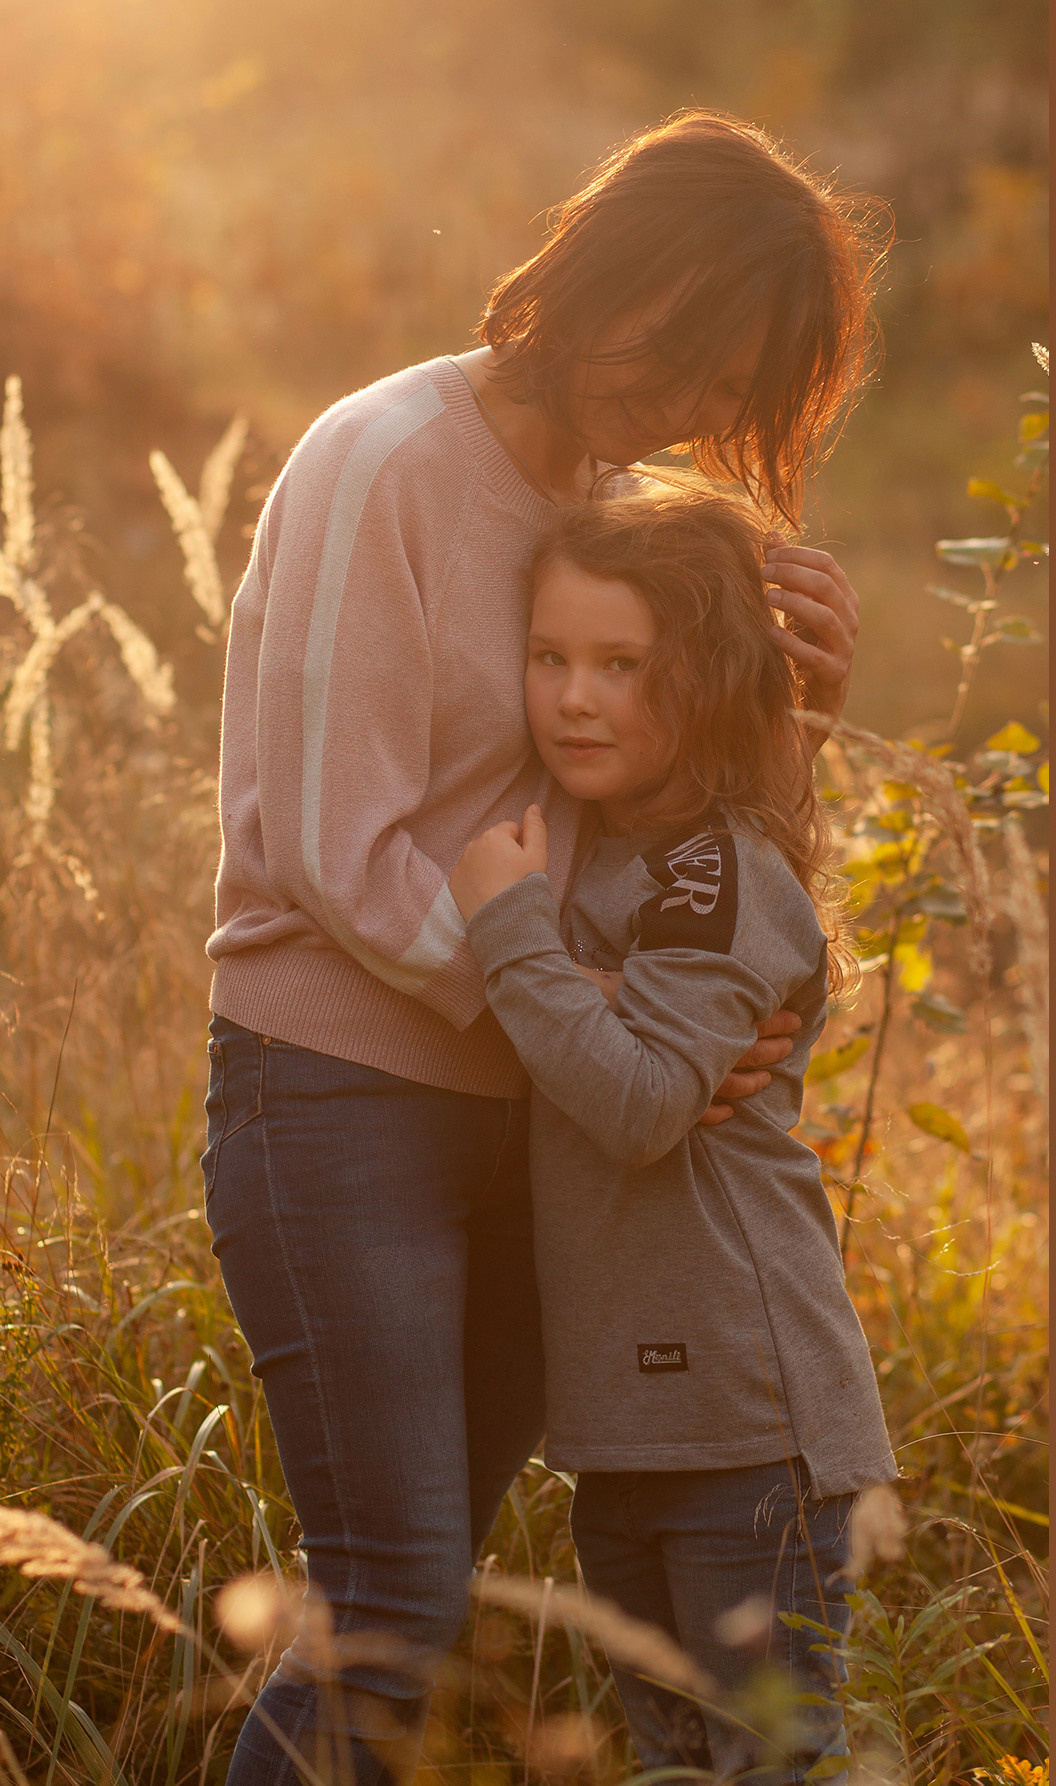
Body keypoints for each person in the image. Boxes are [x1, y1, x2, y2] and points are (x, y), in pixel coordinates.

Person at [201, 110, 884, 1783]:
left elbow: (675, 823)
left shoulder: (618, 515)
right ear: (603, 267)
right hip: (339, 1093)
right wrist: (599, 1029)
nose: (685, 410)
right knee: (393, 1601)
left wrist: (800, 713)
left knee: (449, 1603)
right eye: (680, 347)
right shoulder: (381, 461)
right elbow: (333, 845)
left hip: (553, 1123)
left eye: (732, 389)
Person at [449, 486, 896, 1783]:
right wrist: (565, 967)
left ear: (700, 683)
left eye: (620, 665)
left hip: (746, 1426)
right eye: (550, 658)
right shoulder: (610, 857)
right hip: (629, 1428)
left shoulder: (719, 869)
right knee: (668, 1759)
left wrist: (511, 929)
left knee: (770, 1758)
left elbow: (644, 1103)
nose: (572, 698)